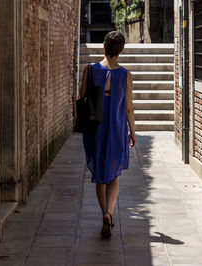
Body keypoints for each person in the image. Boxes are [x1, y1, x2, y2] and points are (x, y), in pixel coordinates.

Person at [79, 31, 136, 239]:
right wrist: (133, 131)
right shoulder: (125, 75)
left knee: (100, 177)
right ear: (121, 50)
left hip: (95, 128)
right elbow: (128, 108)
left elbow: (82, 97)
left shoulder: (90, 70)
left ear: (104, 46)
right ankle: (109, 213)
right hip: (117, 128)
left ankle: (104, 213)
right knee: (114, 175)